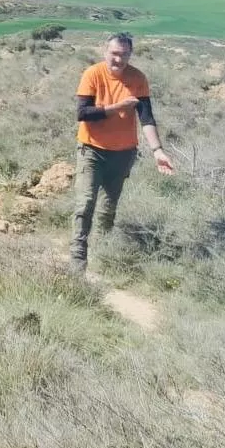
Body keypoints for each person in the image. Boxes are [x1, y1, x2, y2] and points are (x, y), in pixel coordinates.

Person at [71, 32, 175, 271]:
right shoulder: (92, 74)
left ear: (130, 54)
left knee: (108, 210)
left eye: (124, 54)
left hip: (122, 153)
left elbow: (146, 118)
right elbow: (82, 113)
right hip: (92, 150)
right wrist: (116, 107)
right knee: (85, 204)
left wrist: (157, 151)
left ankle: (102, 259)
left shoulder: (138, 79)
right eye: (114, 53)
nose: (118, 59)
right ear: (105, 51)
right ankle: (77, 264)